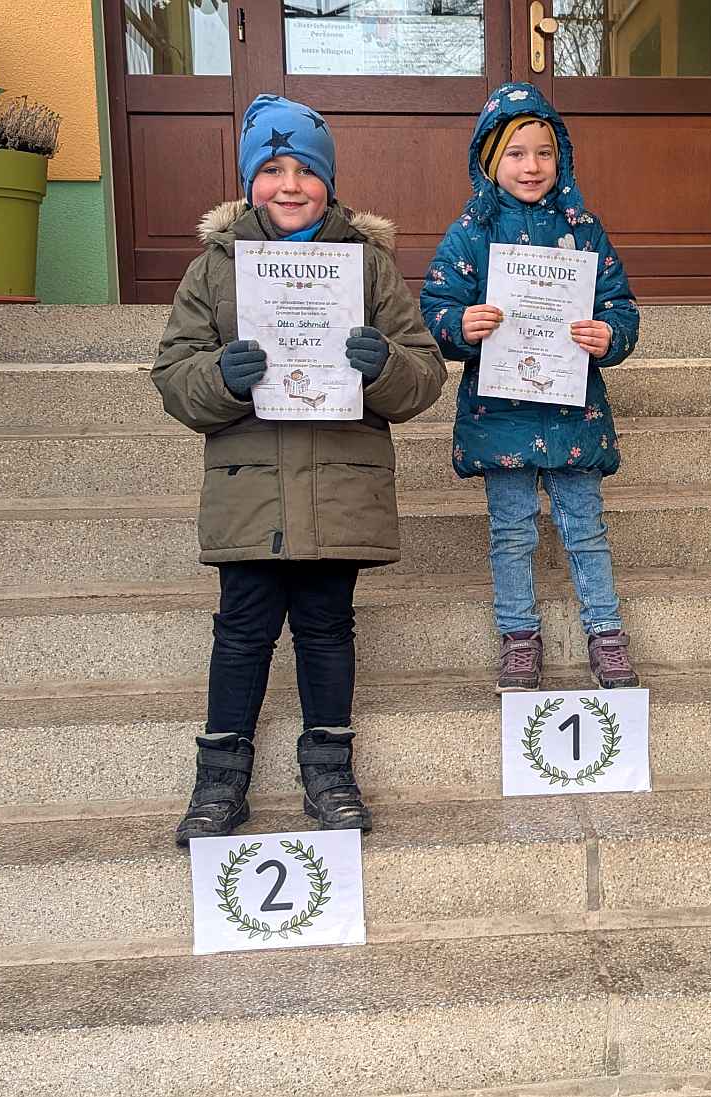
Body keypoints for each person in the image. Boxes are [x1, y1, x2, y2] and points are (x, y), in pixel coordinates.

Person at [153, 93, 446, 845]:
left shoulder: (369, 266)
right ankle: (220, 780)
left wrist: (382, 367)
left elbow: (424, 373)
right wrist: (221, 376)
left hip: (339, 488)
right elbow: (174, 375)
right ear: (249, 180)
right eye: (273, 169)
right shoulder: (215, 269)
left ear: (329, 181)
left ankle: (330, 771)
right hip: (249, 491)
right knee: (241, 631)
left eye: (306, 170)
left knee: (326, 628)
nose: (290, 185)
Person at [420, 82, 642, 694]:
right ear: (489, 160)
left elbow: (619, 304)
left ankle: (606, 633)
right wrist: (459, 326)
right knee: (512, 530)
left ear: (561, 157)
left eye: (544, 152)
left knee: (586, 528)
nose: (532, 165)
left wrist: (609, 335)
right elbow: (437, 304)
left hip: (574, 413)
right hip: (501, 414)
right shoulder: (471, 232)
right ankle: (519, 637)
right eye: (516, 153)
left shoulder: (583, 230)